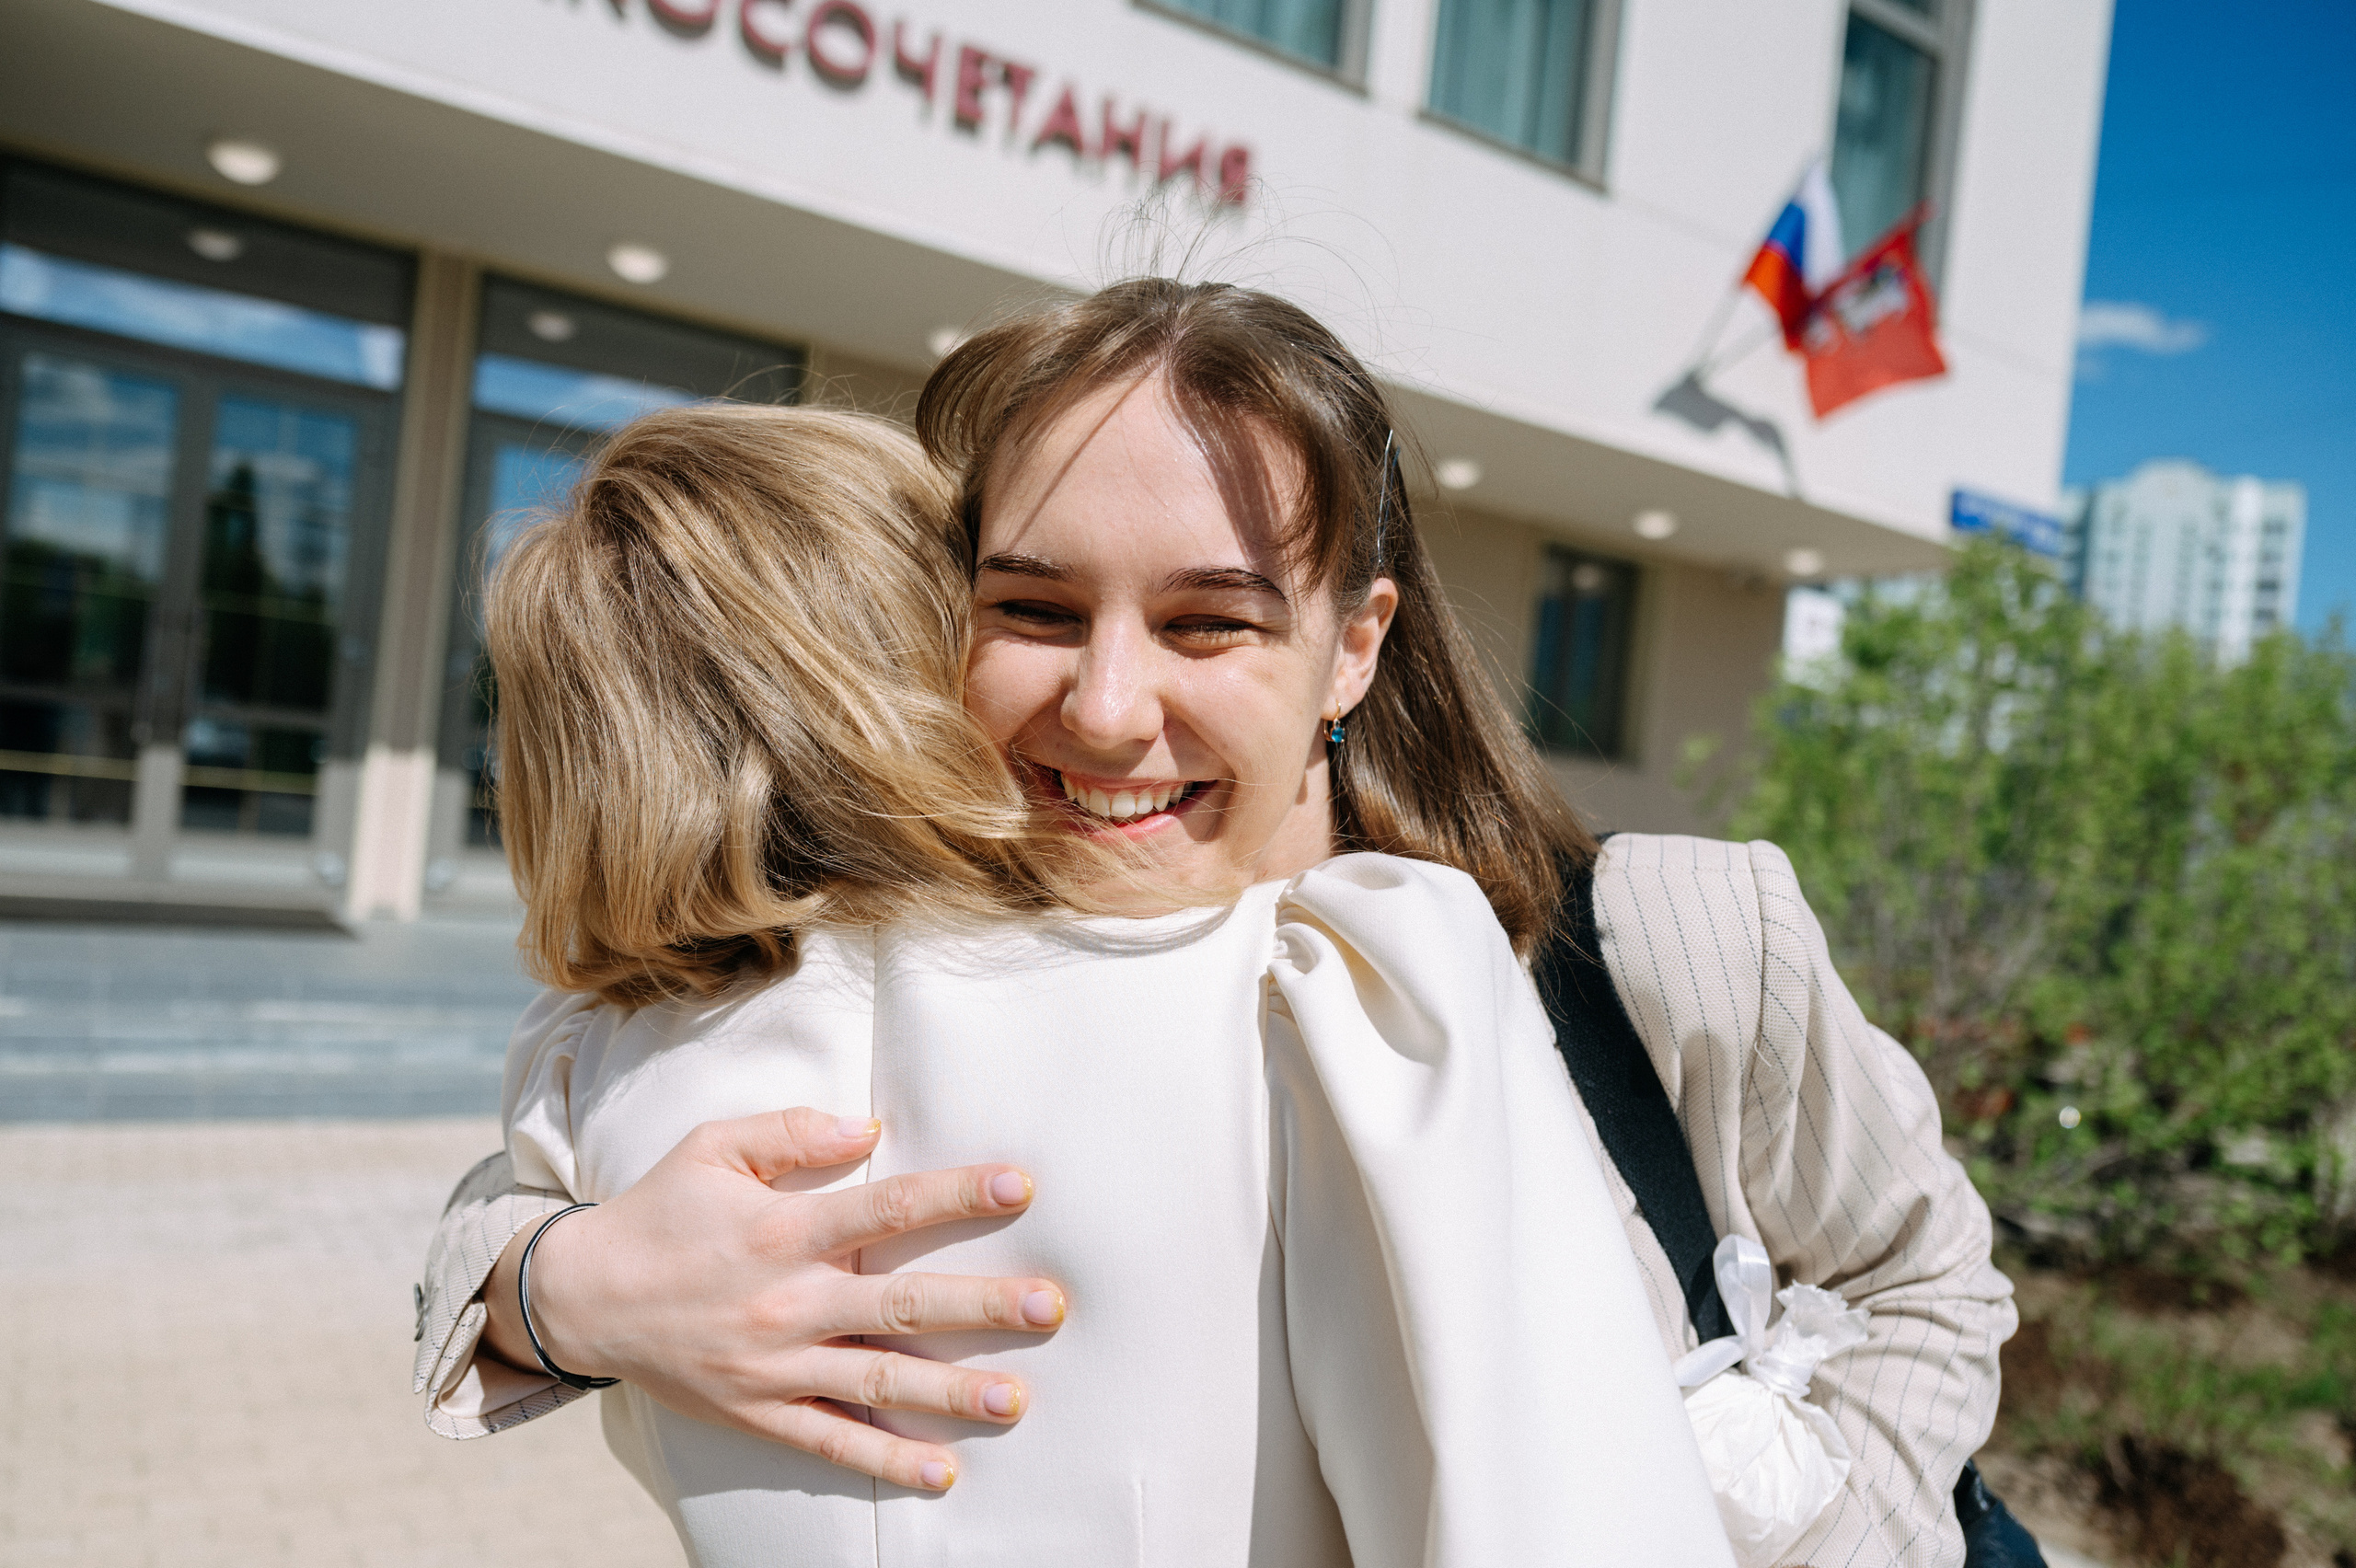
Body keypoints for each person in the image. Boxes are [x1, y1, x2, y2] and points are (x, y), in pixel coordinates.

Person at [417, 280, 2016, 1566]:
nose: (1109, 712)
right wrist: (560, 1293)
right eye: (1033, 609)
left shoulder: (1646, 939)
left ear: (1352, 647)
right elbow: (551, 1167)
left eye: (1210, 623)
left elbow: (1926, 1281)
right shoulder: (891, 963)